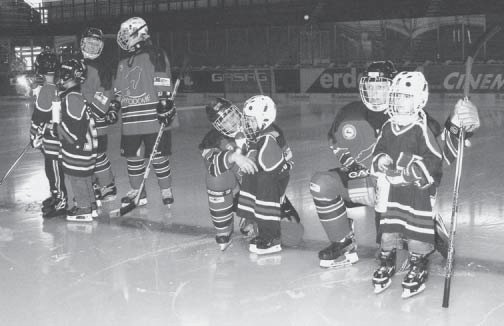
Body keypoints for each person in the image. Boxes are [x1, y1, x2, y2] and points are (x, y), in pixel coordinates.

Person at [309, 61, 480, 269]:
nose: (374, 91)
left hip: (404, 190)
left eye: (380, 85)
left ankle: (428, 226)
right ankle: (343, 242)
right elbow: (337, 145)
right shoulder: (348, 114)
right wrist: (360, 173)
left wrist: (458, 126)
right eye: (370, 85)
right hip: (369, 183)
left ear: (393, 86)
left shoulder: (414, 116)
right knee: (321, 184)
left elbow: (439, 155)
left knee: (404, 244)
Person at [370, 71, 444, 298]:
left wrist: (413, 173)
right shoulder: (387, 127)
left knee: (416, 232)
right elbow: (379, 150)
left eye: (405, 96)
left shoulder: (421, 129)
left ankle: (418, 264)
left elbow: (434, 160)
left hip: (415, 194)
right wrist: (380, 159)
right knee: (388, 228)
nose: (398, 101)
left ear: (419, 99)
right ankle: (387, 260)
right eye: (396, 96)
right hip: (393, 193)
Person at [113, 17, 177, 208]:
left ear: (138, 32)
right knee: (133, 158)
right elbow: (119, 89)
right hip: (130, 120)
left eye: (126, 33)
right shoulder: (123, 61)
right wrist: (114, 105)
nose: (124, 37)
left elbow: (162, 77)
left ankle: (166, 189)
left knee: (158, 157)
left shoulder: (155, 53)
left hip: (152, 118)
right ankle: (137, 192)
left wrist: (165, 102)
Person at [236, 95, 295, 255]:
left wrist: (245, 157)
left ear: (263, 119)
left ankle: (272, 237)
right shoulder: (265, 131)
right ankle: (254, 220)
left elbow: (266, 165)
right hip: (270, 173)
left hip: (273, 176)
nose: (247, 124)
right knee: (255, 182)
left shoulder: (269, 137)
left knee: (264, 191)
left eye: (251, 120)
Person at [199, 98, 258, 251]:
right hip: (239, 191)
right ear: (217, 125)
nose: (230, 121)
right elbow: (212, 167)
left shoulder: (257, 126)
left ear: (237, 111)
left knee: (289, 233)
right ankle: (224, 230)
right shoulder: (213, 139)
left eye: (231, 115)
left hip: (264, 191)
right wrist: (233, 157)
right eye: (223, 120)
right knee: (216, 179)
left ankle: (251, 218)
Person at [80, 27, 119, 205]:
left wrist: (93, 110)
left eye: (96, 44)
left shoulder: (103, 68)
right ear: (82, 43)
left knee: (98, 155)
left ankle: (107, 185)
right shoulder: (75, 63)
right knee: (82, 156)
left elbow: (106, 92)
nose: (92, 47)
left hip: (96, 121)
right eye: (89, 43)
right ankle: (93, 185)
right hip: (77, 120)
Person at [55, 58, 98, 222]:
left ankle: (84, 209)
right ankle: (92, 206)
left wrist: (57, 127)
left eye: (62, 74)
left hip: (78, 150)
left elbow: (75, 130)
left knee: (77, 177)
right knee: (85, 176)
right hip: (86, 150)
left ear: (68, 76)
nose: (59, 78)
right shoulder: (75, 96)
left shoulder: (72, 98)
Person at [29, 49, 68, 218]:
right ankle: (55, 195)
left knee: (54, 170)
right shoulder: (57, 86)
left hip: (52, 140)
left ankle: (61, 199)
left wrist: (33, 136)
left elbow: (39, 117)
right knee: (51, 168)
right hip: (55, 137)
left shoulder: (47, 89)